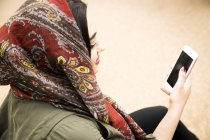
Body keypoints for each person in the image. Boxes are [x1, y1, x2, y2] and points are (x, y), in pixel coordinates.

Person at [0, 0, 198, 139]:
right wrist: (177, 106)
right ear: (66, 57)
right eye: (92, 44)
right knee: (168, 115)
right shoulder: (73, 132)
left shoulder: (30, 81)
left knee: (158, 114)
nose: (102, 47)